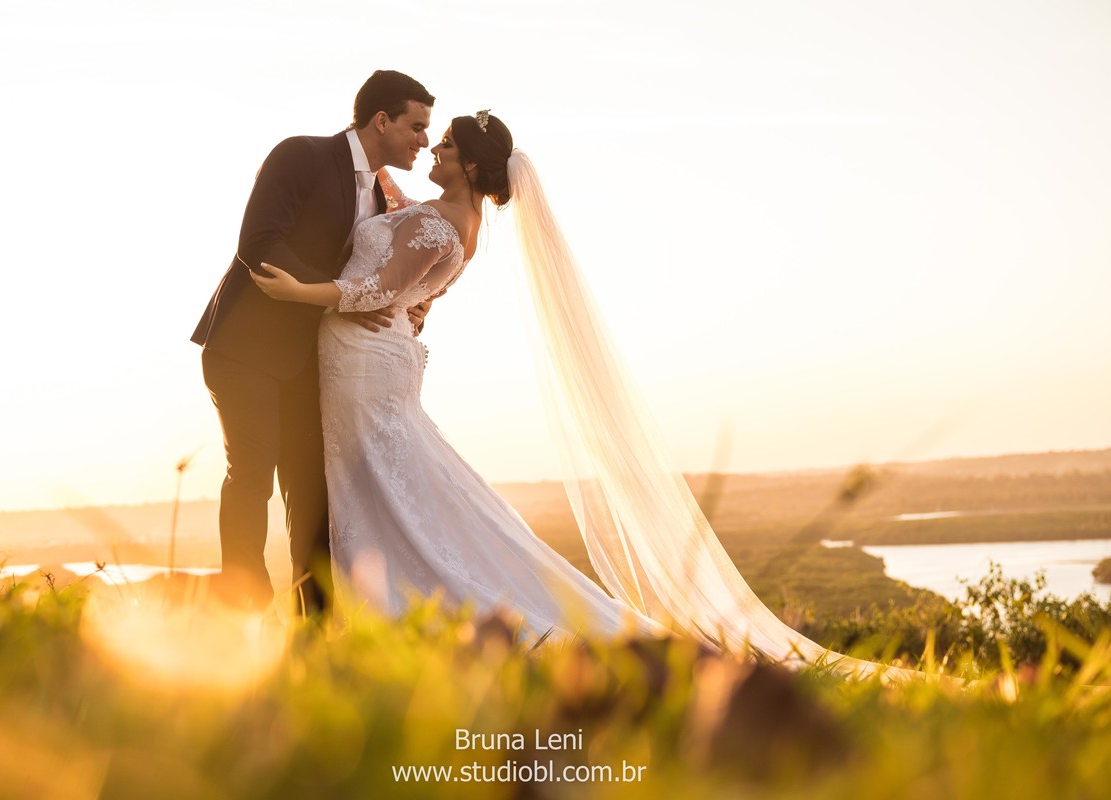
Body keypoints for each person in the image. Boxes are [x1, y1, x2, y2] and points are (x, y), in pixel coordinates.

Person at [250, 111, 900, 675]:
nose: (437, 150)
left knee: (390, 483)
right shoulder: (447, 217)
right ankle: (358, 607)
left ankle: (403, 607)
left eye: (446, 144)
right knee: (399, 481)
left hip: (363, 360)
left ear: (472, 166)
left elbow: (379, 290)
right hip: (368, 357)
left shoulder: (445, 226)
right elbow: (405, 280)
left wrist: (298, 292)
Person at [191, 70, 435, 613]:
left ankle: (314, 621)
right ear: (381, 120)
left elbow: (381, 273)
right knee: (252, 474)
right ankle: (243, 604)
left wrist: (406, 302)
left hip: (312, 360)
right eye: (416, 126)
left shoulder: (381, 193)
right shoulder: (299, 155)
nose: (424, 140)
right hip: (246, 349)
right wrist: (338, 296)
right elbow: (258, 243)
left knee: (311, 489)